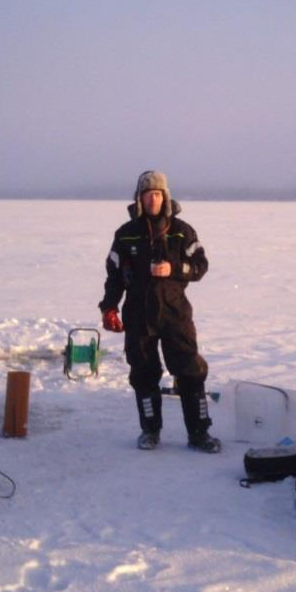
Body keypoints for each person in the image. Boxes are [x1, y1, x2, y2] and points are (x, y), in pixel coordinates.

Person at [99, 170, 220, 452]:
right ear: (139, 198)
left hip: (175, 313)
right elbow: (114, 276)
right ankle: (150, 431)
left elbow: (201, 266)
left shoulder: (182, 230)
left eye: (158, 193)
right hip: (139, 314)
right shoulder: (126, 235)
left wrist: (174, 269)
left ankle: (199, 433)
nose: (153, 199)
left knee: (190, 370)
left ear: (165, 197)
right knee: (143, 372)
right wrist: (109, 307)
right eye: (148, 193)